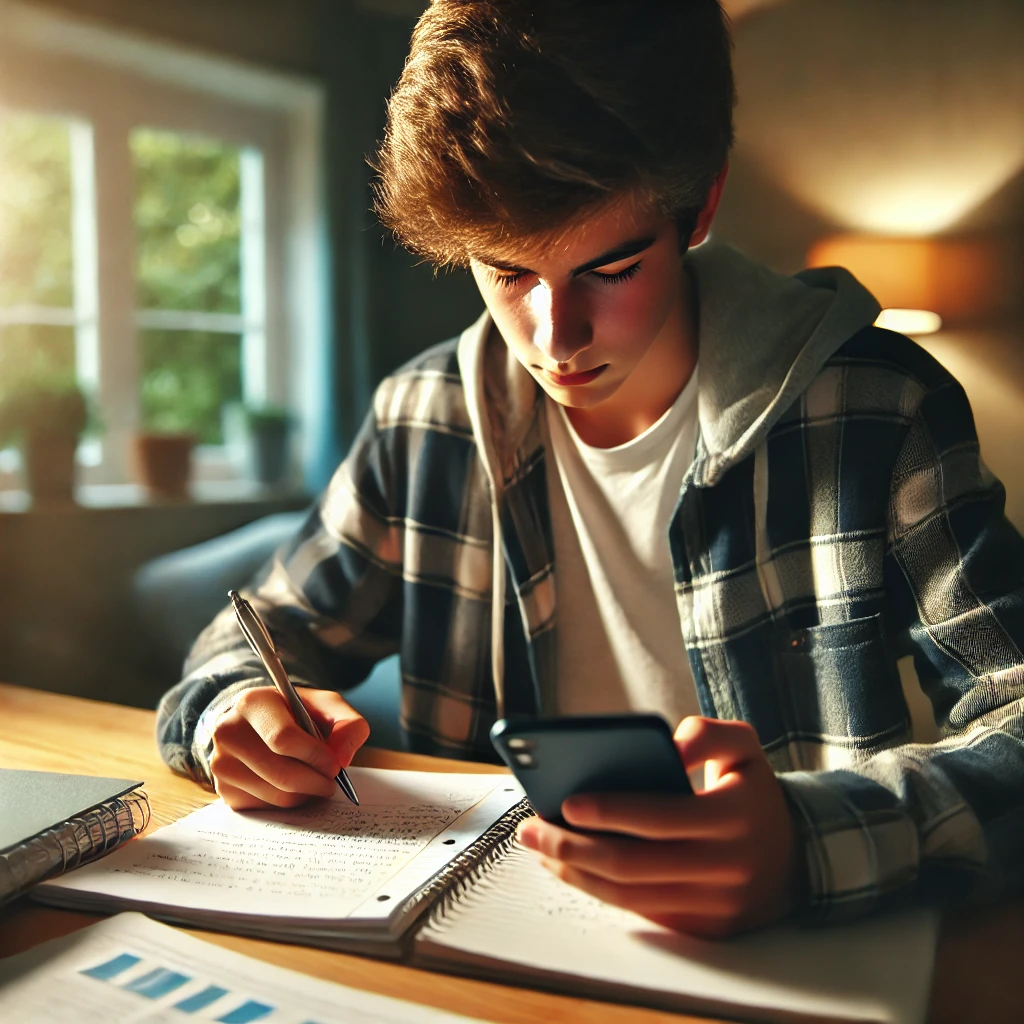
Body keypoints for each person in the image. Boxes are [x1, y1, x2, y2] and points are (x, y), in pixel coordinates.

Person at [157, 0, 1024, 937]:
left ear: (703, 202)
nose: (554, 338)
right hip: (493, 957)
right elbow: (254, 637)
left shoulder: (876, 407)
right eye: (506, 272)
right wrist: (235, 716)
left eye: (610, 269)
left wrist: (807, 842)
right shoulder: (427, 414)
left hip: (795, 960)